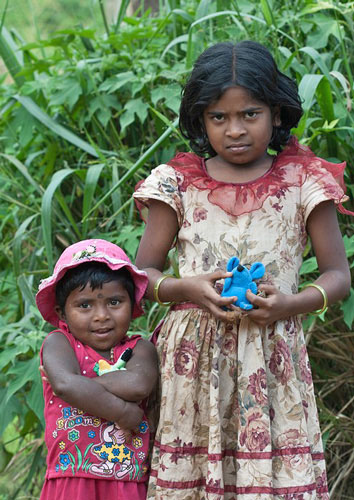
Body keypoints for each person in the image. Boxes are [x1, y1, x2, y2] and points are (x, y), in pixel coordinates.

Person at [133, 40, 352, 499]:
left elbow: (338, 276)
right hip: (193, 366)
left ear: (275, 113)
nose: (234, 129)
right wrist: (187, 288)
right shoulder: (177, 184)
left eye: (249, 114)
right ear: (200, 120)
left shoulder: (304, 182)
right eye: (219, 117)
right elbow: (143, 273)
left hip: (272, 360)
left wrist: (291, 303)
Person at [36, 239, 158, 500]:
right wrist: (124, 412)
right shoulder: (59, 343)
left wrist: (79, 384)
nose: (101, 315)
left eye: (114, 302)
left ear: (133, 305)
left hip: (128, 480)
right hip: (70, 478)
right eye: (84, 305)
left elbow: (138, 385)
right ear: (62, 312)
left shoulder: (140, 349)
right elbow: (65, 386)